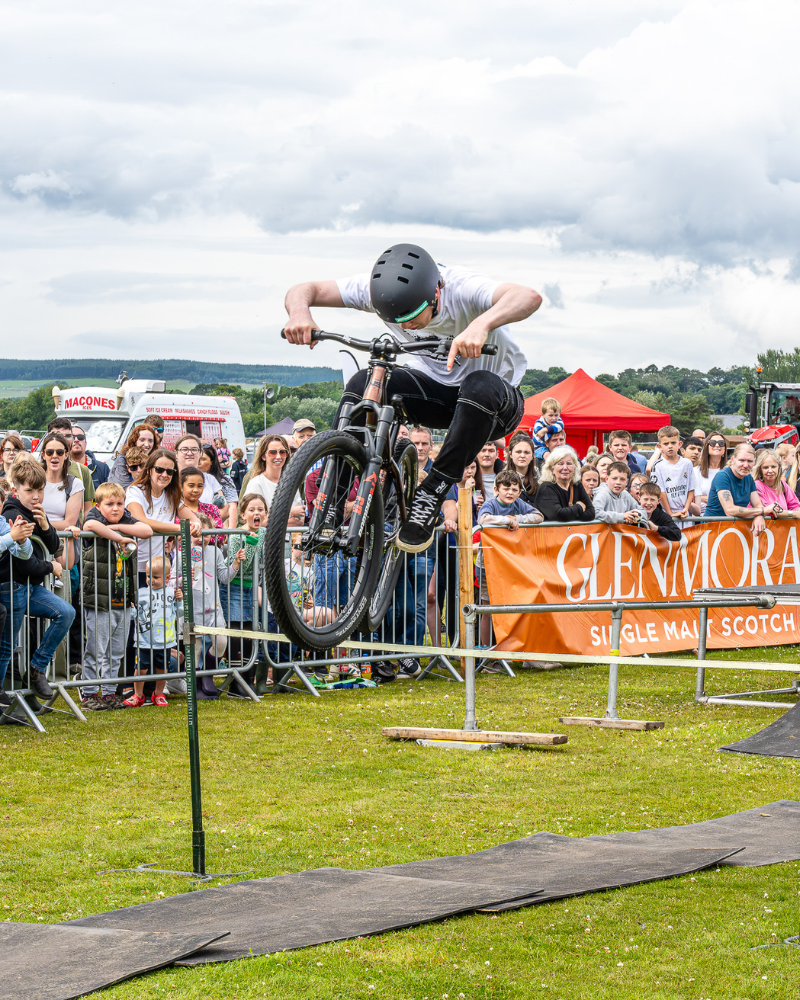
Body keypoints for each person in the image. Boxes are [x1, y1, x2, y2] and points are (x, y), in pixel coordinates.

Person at [283, 241, 540, 553]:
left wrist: (481, 325)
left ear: (436, 293)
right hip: (435, 394)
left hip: (493, 407)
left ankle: (431, 492)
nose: (406, 326)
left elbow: (529, 296)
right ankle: (331, 504)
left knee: (478, 383)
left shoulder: (463, 287)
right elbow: (304, 288)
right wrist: (299, 313)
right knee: (361, 381)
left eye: (414, 316)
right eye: (396, 319)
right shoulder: (376, 290)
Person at [0, 458, 75, 701]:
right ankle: (4, 696)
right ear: (15, 490)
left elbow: (55, 547)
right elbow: (25, 562)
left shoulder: (35, 511)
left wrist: (44, 524)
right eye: (29, 490)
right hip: (12, 586)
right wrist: (50, 566)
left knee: (66, 612)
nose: (35, 496)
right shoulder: (12, 513)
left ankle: (37, 668)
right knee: (7, 647)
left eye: (40, 489)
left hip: (30, 588)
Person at [79, 483, 153, 711]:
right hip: (100, 600)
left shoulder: (125, 522)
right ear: (98, 505)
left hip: (123, 600)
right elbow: (89, 524)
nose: (115, 508)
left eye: (120, 504)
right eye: (109, 504)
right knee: (95, 649)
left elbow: (147, 531)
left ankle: (110, 691)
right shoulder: (94, 520)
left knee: (117, 651)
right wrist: (119, 537)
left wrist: (121, 526)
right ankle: (89, 691)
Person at [477, 470, 543, 653]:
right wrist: (505, 520)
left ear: (519, 492)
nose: (510, 493)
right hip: (488, 565)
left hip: (512, 565)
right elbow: (483, 519)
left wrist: (518, 519)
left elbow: (538, 516)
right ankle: (485, 652)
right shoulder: (491, 504)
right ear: (496, 489)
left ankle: (508, 648)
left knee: (511, 606)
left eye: (514, 489)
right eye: (506, 488)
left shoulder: (519, 504)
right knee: (487, 608)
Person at [223, 493, 268, 698]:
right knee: (236, 634)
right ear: (243, 515)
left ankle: (248, 681)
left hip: (252, 589)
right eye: (251, 510)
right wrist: (250, 543)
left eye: (260, 509)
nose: (256, 513)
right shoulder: (237, 536)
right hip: (234, 588)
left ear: (265, 514)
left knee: (251, 635)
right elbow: (239, 570)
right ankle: (235, 684)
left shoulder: (265, 533)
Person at [124, 556, 182, 708]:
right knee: (140, 670)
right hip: (144, 640)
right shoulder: (141, 593)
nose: (151, 580)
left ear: (167, 577)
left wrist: (180, 601)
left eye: (156, 577)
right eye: (149, 576)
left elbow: (179, 613)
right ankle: (138, 695)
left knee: (162, 670)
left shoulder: (172, 593)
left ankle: (159, 693)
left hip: (165, 641)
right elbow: (135, 615)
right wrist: (131, 609)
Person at [704, 442, 773, 537]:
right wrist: (762, 511)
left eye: (749, 461)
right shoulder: (722, 476)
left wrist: (759, 516)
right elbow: (730, 510)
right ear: (733, 460)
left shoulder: (749, 478)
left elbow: (757, 504)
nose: (745, 465)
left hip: (732, 531)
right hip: (712, 530)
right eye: (741, 460)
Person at [39, 431, 83, 572]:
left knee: (60, 589)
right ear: (43, 454)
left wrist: (41, 525)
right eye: (50, 452)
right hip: (36, 542)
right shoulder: (34, 480)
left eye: (59, 452)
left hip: (60, 543)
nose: (54, 456)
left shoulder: (74, 484)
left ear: (66, 454)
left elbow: (69, 522)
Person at [242, 435, 303, 524]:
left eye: (282, 452)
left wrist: (269, 520)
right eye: (272, 452)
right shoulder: (256, 483)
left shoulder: (291, 483)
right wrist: (289, 512)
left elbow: (300, 521)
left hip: (290, 538)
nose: (278, 456)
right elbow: (254, 521)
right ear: (263, 456)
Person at [47, 417, 95, 513]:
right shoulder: (37, 470)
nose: (64, 440)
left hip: (75, 527)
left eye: (68, 436)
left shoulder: (82, 470)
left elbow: (88, 508)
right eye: (59, 435)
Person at [535, 446, 595, 522]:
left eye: (569, 463)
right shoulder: (546, 488)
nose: (565, 467)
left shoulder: (577, 485)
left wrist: (569, 514)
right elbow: (559, 515)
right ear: (552, 469)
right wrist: (579, 507)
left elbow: (591, 513)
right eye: (560, 464)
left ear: (574, 468)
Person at [650, 426, 695, 527]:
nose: (670, 446)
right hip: (666, 515)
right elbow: (660, 493)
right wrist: (670, 513)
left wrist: (686, 509)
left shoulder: (687, 463)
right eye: (666, 443)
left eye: (673, 443)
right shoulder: (658, 465)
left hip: (685, 514)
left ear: (679, 444)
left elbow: (691, 489)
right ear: (659, 446)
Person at [177, 467, 225, 545]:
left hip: (207, 553)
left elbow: (219, 536)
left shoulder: (212, 509)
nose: (196, 490)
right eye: (191, 486)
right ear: (181, 487)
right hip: (180, 554)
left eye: (200, 486)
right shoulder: (175, 510)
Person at [753, 449, 800, 519]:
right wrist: (793, 514)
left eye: (773, 467)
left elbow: (795, 505)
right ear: (760, 470)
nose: (770, 470)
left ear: (779, 467)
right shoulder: (756, 485)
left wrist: (797, 511)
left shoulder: (782, 484)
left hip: (783, 528)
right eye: (766, 467)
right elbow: (768, 511)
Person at [199, 443, 239, 527]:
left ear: (212, 462)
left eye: (203, 459)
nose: (199, 463)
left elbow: (232, 506)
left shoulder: (224, 479)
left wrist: (231, 532)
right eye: (197, 459)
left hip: (218, 526)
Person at [691, 434, 728, 513]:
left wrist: (703, 498)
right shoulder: (695, 472)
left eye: (721, 443)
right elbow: (689, 498)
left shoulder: (729, 472)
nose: (717, 445)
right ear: (707, 446)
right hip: (700, 517)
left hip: (725, 517)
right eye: (713, 442)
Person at [70, 424, 110, 490]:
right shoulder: (60, 469)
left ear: (85, 443)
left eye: (80, 437)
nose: (76, 440)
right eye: (72, 437)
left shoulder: (103, 468)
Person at [505, 433, 537, 504]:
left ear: (532, 456)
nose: (522, 455)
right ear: (510, 454)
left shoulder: (539, 480)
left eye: (526, 452)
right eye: (518, 452)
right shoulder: (501, 479)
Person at [532, 398, 564, 466]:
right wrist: (554, 429)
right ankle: (551, 467)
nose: (554, 418)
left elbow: (561, 425)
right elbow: (544, 438)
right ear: (543, 415)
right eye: (550, 415)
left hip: (549, 445)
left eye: (556, 415)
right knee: (547, 455)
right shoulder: (538, 424)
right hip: (539, 447)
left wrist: (545, 430)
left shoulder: (558, 420)